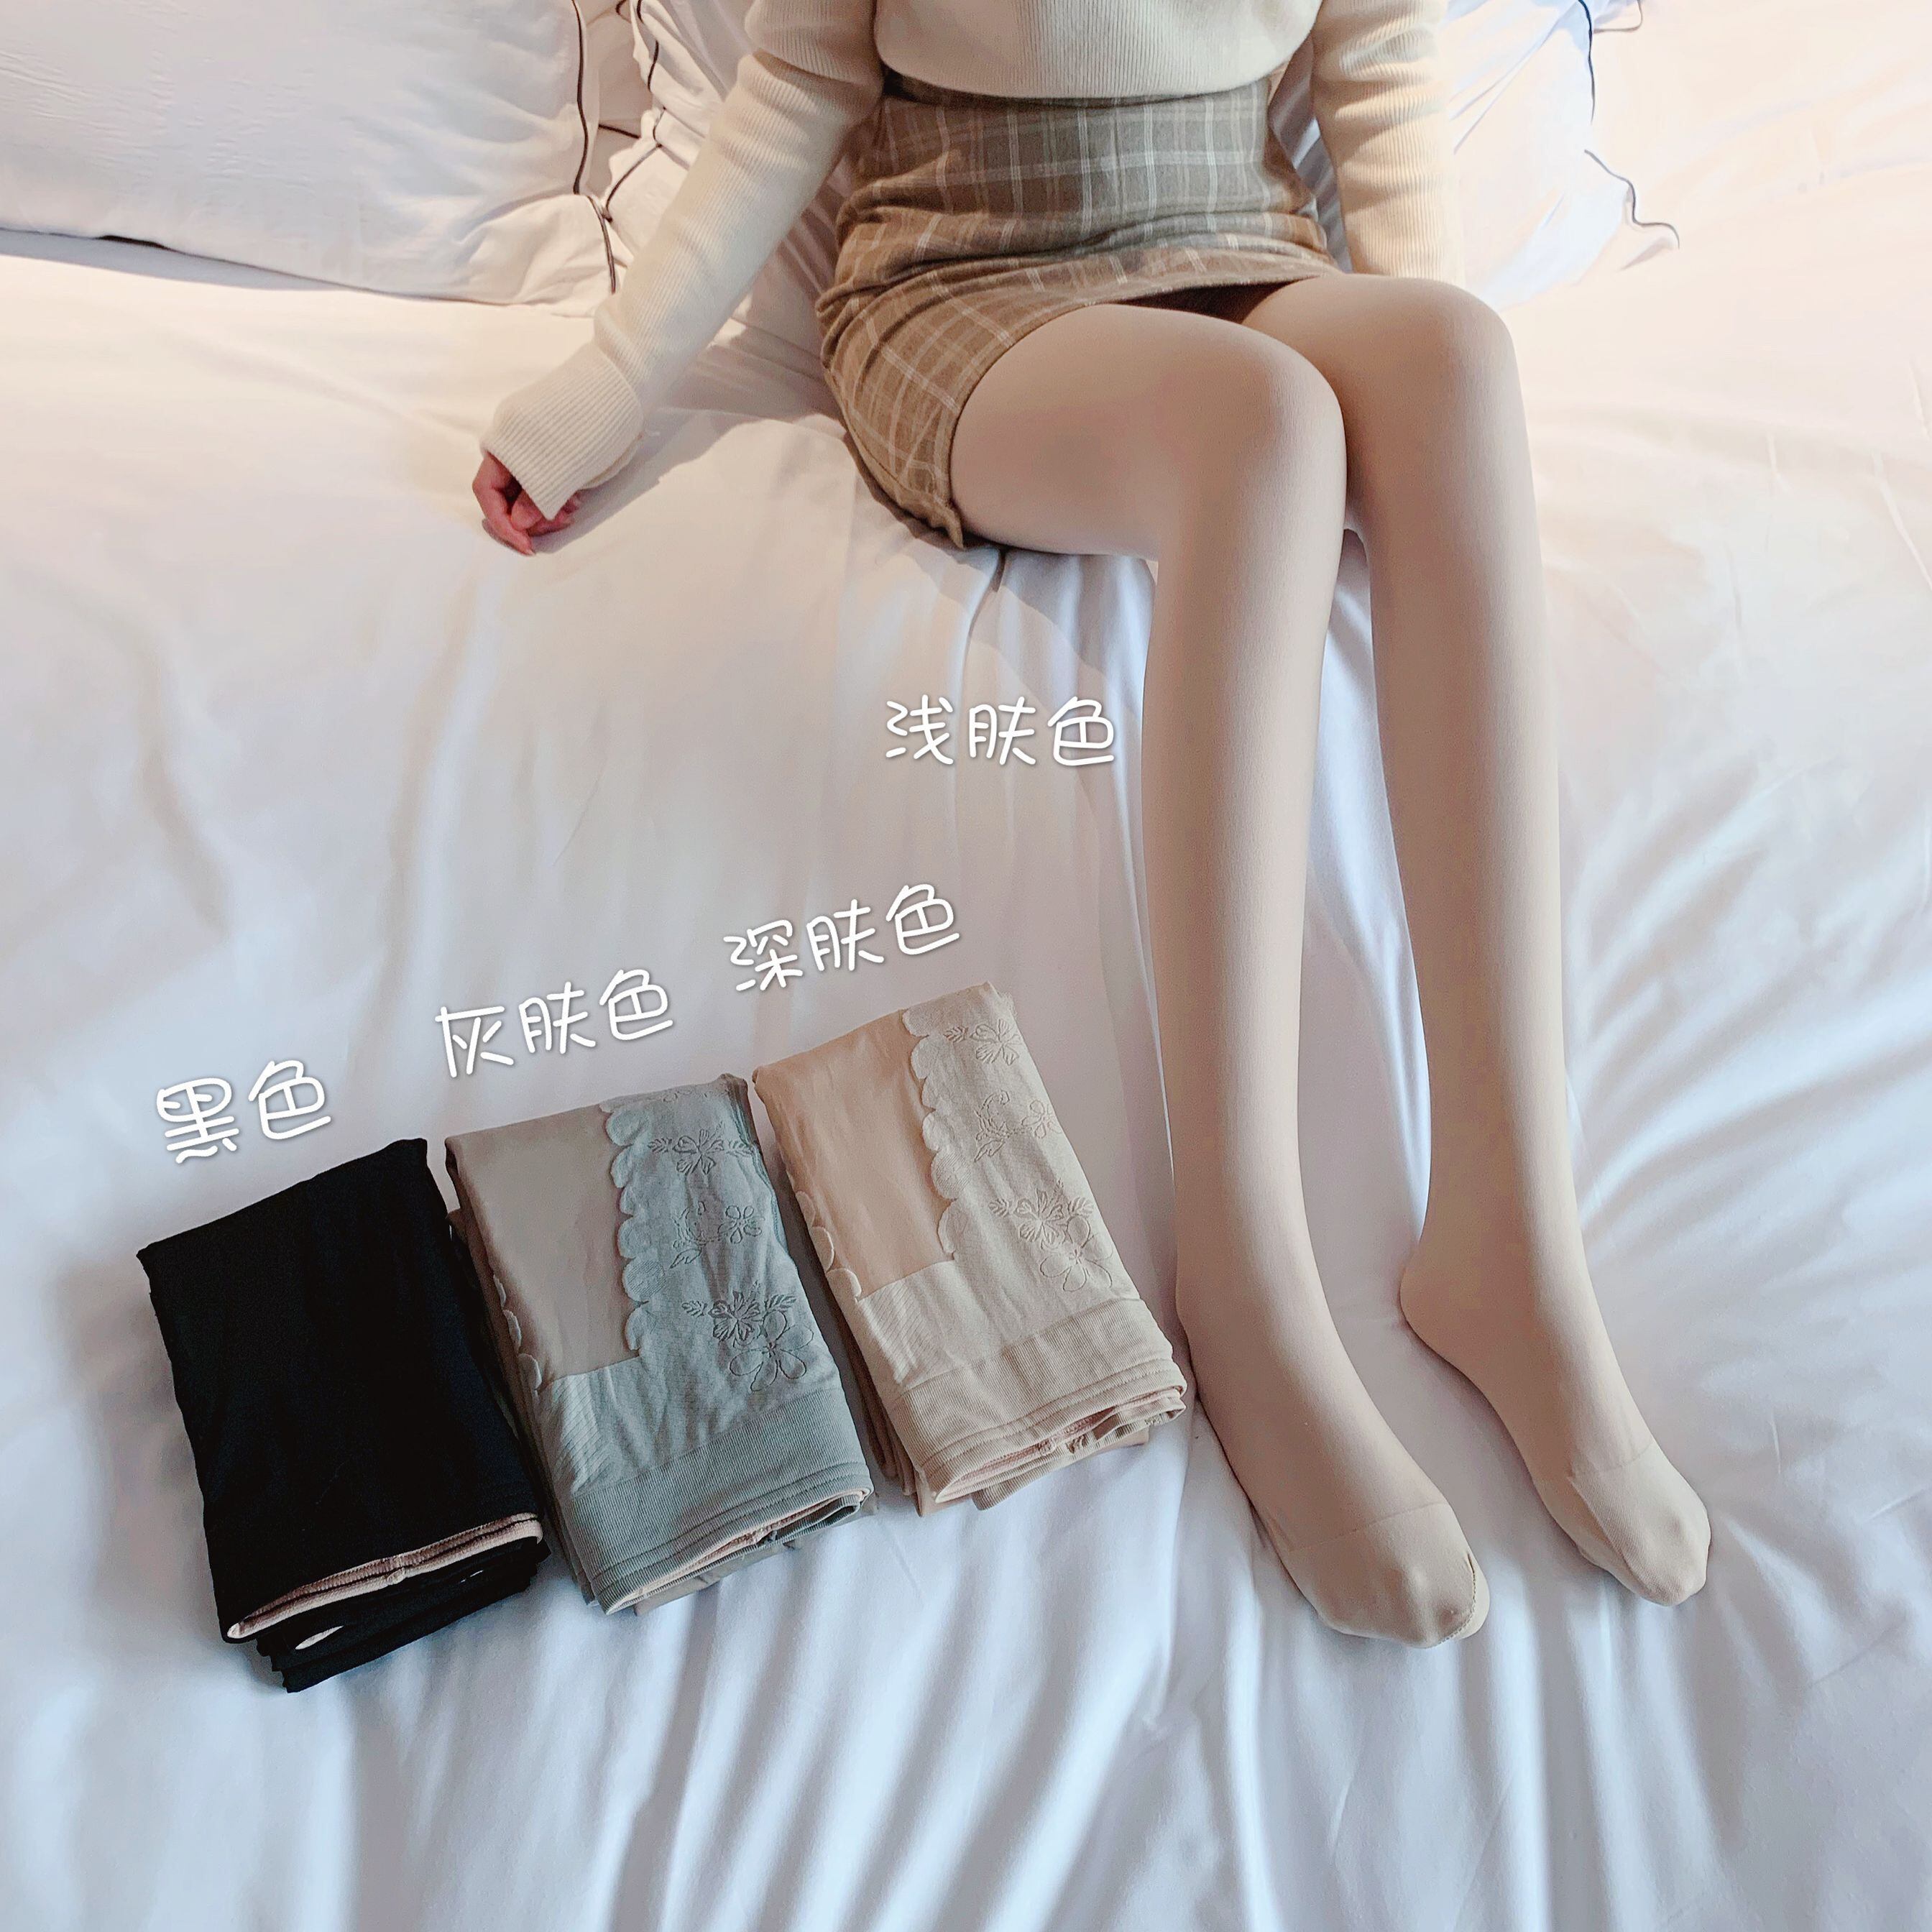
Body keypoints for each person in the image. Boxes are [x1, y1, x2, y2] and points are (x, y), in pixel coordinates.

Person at [473, 0, 1711, 1645]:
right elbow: (799, 82)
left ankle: (1510, 1238)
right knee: (1262, 430)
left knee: (1456, 362)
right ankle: (1245, 1279)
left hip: (1241, 234)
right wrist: (605, 387)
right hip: (965, 273)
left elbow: (1379, 66)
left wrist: (1417, 441)